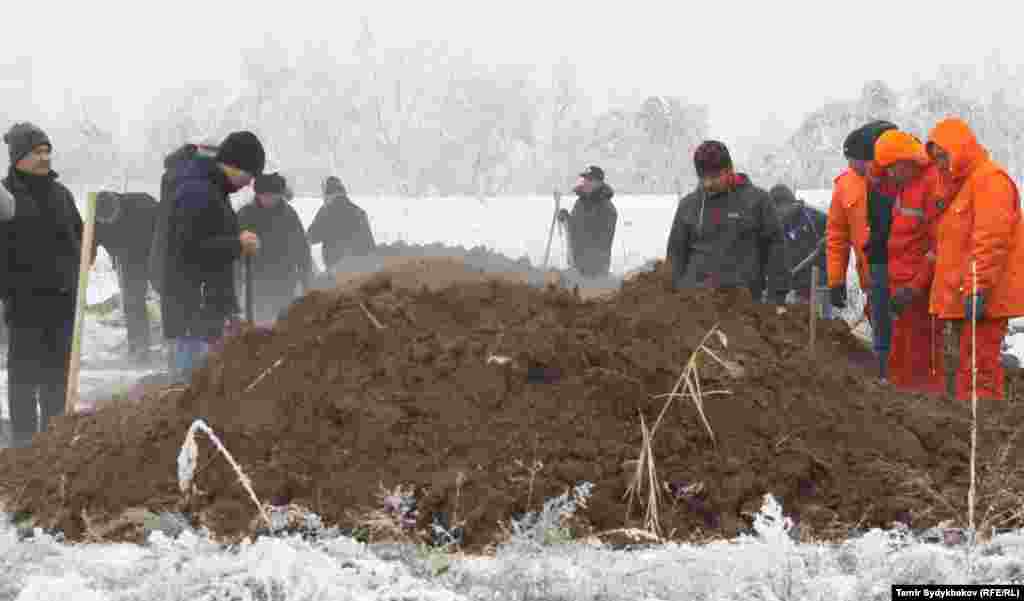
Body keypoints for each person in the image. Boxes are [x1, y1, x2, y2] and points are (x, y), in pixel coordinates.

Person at [0, 122, 91, 447]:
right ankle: (24, 449)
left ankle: (53, 447)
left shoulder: (61, 194)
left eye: (47, 151)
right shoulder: (5, 197)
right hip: (24, 307)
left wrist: (86, 253)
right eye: (37, 152)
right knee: (24, 383)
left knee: (57, 383)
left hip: (62, 306)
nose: (44, 157)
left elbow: (81, 237)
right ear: (18, 157)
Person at [926, 117, 1024, 402]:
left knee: (980, 369)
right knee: (966, 369)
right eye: (936, 158)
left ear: (960, 150)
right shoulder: (961, 186)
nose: (940, 164)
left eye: (943, 156)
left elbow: (990, 241)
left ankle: (984, 424)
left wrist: (977, 288)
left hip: (984, 297)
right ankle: (971, 421)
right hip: (965, 296)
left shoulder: (990, 181)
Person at [161, 131, 265, 384]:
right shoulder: (196, 191)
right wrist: (237, 244)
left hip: (204, 313)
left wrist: (229, 308)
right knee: (191, 391)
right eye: (249, 176)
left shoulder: (213, 190)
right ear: (235, 165)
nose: (249, 184)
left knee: (203, 390)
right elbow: (188, 250)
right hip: (192, 314)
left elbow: (209, 241)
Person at [666, 140, 789, 304]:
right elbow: (675, 254)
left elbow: (776, 249)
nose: (708, 183)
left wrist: (777, 296)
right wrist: (673, 295)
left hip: (744, 304)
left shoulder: (757, 201)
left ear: (729, 170)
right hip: (695, 304)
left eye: (714, 177)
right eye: (703, 177)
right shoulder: (688, 205)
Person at [871, 130, 947, 395]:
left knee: (920, 354)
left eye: (892, 168)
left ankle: (922, 404)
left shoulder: (931, 186)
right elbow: (877, 180)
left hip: (918, 292)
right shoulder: (905, 184)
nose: (889, 174)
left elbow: (938, 246)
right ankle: (900, 398)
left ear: (906, 162)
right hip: (903, 288)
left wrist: (915, 287)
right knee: (902, 349)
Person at [237, 172, 313, 323]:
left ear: (279, 195)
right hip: (257, 281)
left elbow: (302, 248)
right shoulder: (245, 214)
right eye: (265, 196)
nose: (269, 199)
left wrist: (306, 279)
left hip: (285, 280)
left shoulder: (289, 214)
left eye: (273, 196)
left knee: (285, 323)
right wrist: (237, 281)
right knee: (261, 323)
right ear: (258, 194)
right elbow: (235, 249)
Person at [92, 190, 159, 361]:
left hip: (153, 255)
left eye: (112, 219)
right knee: (132, 301)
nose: (109, 223)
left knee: (166, 295)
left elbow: (165, 230)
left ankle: (171, 339)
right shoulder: (96, 218)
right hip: (128, 261)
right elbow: (88, 246)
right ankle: (138, 345)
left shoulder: (143, 204)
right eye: (105, 222)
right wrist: (84, 263)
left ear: (118, 208)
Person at [771, 183, 829, 317]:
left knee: (821, 323)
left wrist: (828, 240)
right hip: (792, 286)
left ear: (788, 204)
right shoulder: (776, 223)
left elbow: (837, 233)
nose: (777, 214)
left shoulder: (814, 218)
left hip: (817, 286)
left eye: (777, 209)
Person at [556, 165, 618, 278]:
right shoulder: (580, 203)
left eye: (589, 180)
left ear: (599, 183)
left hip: (595, 271)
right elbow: (575, 226)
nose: (585, 183)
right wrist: (566, 217)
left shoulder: (607, 208)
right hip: (576, 265)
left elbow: (599, 240)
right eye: (584, 179)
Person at [307, 176, 375, 273]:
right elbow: (370, 246)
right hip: (360, 270)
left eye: (323, 194)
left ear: (327, 194)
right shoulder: (358, 212)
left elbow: (311, 237)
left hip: (337, 270)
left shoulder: (327, 211)